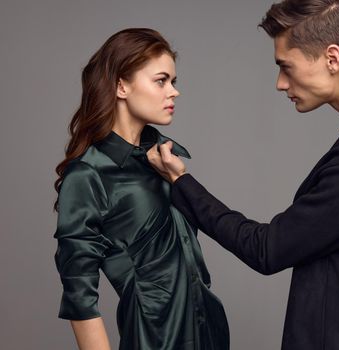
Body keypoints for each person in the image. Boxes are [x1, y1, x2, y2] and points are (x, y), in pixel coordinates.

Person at [148, 1, 339, 349]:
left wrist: (182, 183)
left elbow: (267, 249)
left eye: (286, 66)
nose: (280, 83)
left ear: (332, 58)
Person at [52, 28, 229, 350]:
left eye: (174, 82)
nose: (174, 92)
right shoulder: (89, 173)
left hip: (208, 333)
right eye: (161, 81)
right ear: (121, 85)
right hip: (154, 340)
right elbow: (79, 293)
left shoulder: (163, 161)